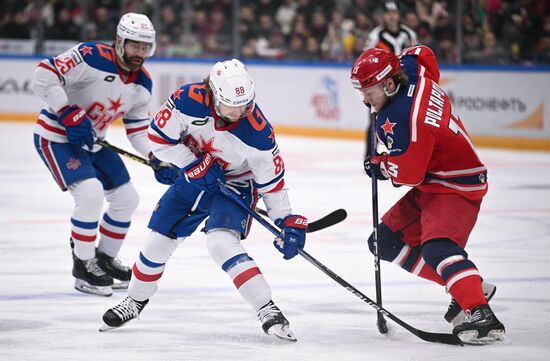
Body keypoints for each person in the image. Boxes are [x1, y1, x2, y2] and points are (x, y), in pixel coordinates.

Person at [100, 59, 307, 342]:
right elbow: (158, 140)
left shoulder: (258, 133)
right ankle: (135, 302)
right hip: (192, 178)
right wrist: (192, 164)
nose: (239, 113)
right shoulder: (187, 100)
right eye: (232, 106)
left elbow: (271, 184)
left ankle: (267, 309)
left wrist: (286, 220)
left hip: (234, 183)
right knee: (156, 243)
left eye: (245, 105)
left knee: (221, 242)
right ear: (212, 94)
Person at [350, 46, 505, 344]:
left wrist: (380, 165)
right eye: (361, 91)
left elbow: (410, 173)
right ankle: (470, 286)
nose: (365, 99)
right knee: (382, 242)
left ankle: (481, 314)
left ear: (388, 84)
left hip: (454, 185)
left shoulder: (408, 120)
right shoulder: (411, 71)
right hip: (437, 180)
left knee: (438, 249)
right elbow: (423, 53)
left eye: (369, 91)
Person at [31, 13, 179, 297]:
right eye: (135, 46)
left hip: (94, 142)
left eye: (145, 47)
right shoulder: (90, 55)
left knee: (127, 199)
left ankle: (104, 259)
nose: (140, 53)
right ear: (120, 41)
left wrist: (155, 157)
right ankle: (83, 265)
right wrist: (66, 112)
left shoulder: (142, 84)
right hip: (56, 138)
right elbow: (43, 74)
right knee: (90, 194)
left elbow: (136, 130)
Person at [363, 1, 418, 156]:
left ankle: (405, 154)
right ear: (384, 16)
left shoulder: (409, 34)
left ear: (399, 15)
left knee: (405, 117)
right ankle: (370, 156)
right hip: (381, 85)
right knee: (374, 120)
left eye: (394, 13)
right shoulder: (376, 35)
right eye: (388, 13)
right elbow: (366, 58)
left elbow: (416, 57)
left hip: (404, 83)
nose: (392, 16)